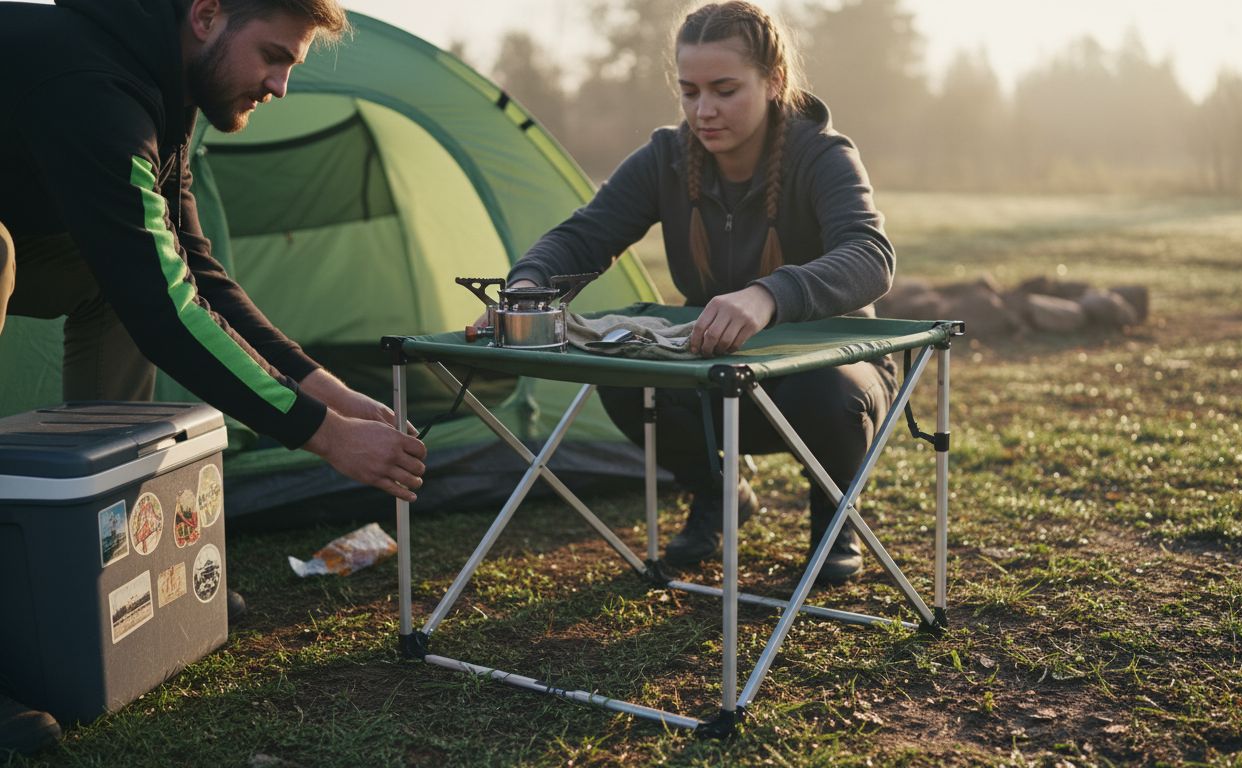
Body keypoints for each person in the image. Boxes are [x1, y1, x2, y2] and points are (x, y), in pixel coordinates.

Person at [0, 0, 426, 754]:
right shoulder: (89, 77)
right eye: (272, 56)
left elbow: (191, 269)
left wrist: (325, 388)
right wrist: (323, 437)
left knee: (119, 274)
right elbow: (165, 311)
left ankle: (105, 569)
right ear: (205, 15)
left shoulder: (164, 88)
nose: (280, 85)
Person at [502, 3, 897, 587]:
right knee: (622, 372)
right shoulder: (666, 156)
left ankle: (834, 514)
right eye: (689, 91)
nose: (703, 110)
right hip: (718, 369)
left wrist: (768, 295)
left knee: (828, 391)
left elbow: (871, 256)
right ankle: (719, 494)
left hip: (828, 373)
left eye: (725, 89)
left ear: (774, 81)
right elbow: (585, 235)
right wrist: (526, 287)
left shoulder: (823, 153)